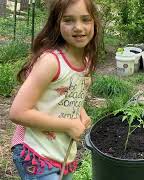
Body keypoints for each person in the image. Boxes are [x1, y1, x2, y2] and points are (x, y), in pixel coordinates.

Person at [9, 0, 101, 179]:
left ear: (94, 23)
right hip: (35, 151)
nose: (78, 27)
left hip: (62, 152)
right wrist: (69, 125)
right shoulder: (51, 61)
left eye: (85, 19)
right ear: (56, 24)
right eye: (68, 20)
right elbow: (17, 112)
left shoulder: (86, 61)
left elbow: (69, 93)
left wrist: (80, 113)